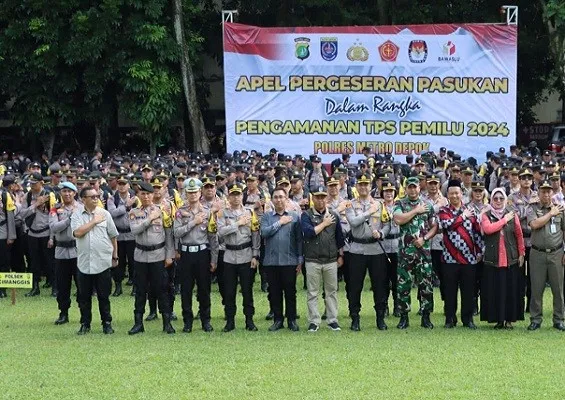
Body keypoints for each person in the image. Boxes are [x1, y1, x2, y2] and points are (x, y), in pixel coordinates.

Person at [127, 182, 176, 335]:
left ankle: (167, 323)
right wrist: (149, 219)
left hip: (158, 255)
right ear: (139, 196)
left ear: (153, 195)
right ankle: (138, 323)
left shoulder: (163, 211)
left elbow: (169, 236)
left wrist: (169, 256)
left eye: (148, 194)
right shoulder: (134, 212)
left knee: (162, 289)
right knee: (140, 291)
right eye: (143, 194)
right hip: (141, 256)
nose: (146, 196)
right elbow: (135, 230)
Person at [70, 186, 119, 335]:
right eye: (92, 196)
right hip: (84, 263)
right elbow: (77, 233)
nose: (96, 198)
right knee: (84, 297)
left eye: (97, 196)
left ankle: (107, 323)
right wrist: (94, 221)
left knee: (104, 296)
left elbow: (113, 236)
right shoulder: (76, 215)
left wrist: (115, 255)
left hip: (103, 261)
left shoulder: (105, 214)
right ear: (83, 199)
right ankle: (85, 324)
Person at [345, 173, 391, 331]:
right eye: (360, 184)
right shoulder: (350, 204)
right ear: (356, 187)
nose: (363, 187)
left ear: (370, 187)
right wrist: (368, 212)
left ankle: (380, 317)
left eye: (366, 184)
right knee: (354, 286)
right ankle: (355, 318)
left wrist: (383, 233)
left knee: (379, 285)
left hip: (375, 249)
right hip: (356, 249)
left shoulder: (379, 204)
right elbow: (353, 222)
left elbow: (387, 224)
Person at [173, 177, 219, 333]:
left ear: (200, 193)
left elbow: (213, 237)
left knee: (204, 289)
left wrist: (214, 259)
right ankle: (187, 321)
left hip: (202, 253)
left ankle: (206, 320)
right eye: (189, 192)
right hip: (186, 254)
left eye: (195, 192)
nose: (192, 195)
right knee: (186, 289)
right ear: (185, 193)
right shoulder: (180, 212)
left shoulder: (207, 212)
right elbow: (176, 232)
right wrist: (193, 222)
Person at [393, 176, 438, 329]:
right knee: (403, 284)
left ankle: (426, 316)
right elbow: (398, 219)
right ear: (406, 189)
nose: (412, 190)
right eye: (409, 187)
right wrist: (416, 210)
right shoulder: (400, 203)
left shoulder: (428, 205)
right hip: (406, 252)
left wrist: (424, 238)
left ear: (419, 188)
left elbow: (434, 227)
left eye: (415, 187)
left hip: (423, 251)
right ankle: (404, 317)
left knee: (426, 284)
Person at [438, 180, 484, 329]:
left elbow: (477, 233)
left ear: (462, 194)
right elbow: (447, 225)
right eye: (451, 193)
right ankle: (450, 319)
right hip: (449, 258)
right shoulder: (444, 211)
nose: (454, 195)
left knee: (468, 291)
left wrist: (479, 251)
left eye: (457, 193)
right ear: (447, 195)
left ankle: (468, 319)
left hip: (469, 258)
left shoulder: (471, 211)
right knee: (449, 291)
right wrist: (463, 217)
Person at [216, 183, 261, 332]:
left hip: (246, 254)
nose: (236, 197)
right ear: (228, 197)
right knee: (229, 291)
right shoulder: (223, 213)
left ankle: (249, 320)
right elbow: (220, 232)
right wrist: (238, 223)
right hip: (229, 256)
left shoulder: (250, 212)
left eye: (238, 194)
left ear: (242, 196)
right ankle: (230, 321)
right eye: (233, 194)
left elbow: (255, 235)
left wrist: (255, 255)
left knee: (247, 291)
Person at [301, 185, 345, 332]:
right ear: (312, 198)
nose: (320, 200)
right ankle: (314, 321)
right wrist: (324, 223)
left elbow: (339, 238)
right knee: (313, 292)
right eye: (317, 197)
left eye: (322, 197)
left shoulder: (334, 215)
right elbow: (308, 233)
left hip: (331, 259)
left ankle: (332, 320)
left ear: (326, 198)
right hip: (312, 259)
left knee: (331, 291)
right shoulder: (306, 215)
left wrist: (340, 255)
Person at [480, 187, 525, 329]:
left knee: (510, 290)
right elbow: (488, 229)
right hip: (493, 260)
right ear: (491, 200)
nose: (498, 201)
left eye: (501, 198)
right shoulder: (486, 215)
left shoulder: (512, 215)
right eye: (495, 198)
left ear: (505, 199)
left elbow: (519, 234)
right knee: (495, 290)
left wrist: (521, 253)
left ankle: (509, 320)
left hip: (510, 258)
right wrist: (504, 220)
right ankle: (499, 320)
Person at [261, 188, 303, 332]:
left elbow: (299, 240)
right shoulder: (267, 216)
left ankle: (291, 320)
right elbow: (264, 232)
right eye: (276, 197)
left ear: (286, 199)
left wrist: (300, 259)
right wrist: (280, 222)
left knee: (290, 292)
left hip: (289, 260)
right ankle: (277, 320)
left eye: (281, 197)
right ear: (272, 200)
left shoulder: (295, 216)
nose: (279, 200)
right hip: (271, 261)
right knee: (274, 292)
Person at [526, 180, 565, 331]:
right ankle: (536, 319)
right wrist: (550, 214)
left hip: (556, 253)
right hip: (537, 254)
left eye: (549, 191)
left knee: (558, 289)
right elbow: (534, 225)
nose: (546, 194)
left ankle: (559, 319)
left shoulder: (560, 209)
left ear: (552, 193)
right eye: (543, 191)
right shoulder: (532, 208)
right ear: (539, 192)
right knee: (536, 288)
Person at [49, 182, 81, 324]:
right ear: (60, 194)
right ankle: (63, 313)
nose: (67, 194)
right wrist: (69, 219)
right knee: (62, 285)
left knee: (81, 284)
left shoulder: (81, 208)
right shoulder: (55, 209)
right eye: (64, 191)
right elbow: (54, 227)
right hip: (61, 251)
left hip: (78, 250)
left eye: (70, 191)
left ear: (75, 193)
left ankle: (84, 312)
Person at [0, 183, 16, 298]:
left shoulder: (5, 195)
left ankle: (2, 289)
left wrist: (11, 236)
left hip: (2, 232)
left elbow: (10, 217)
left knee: (4, 262)